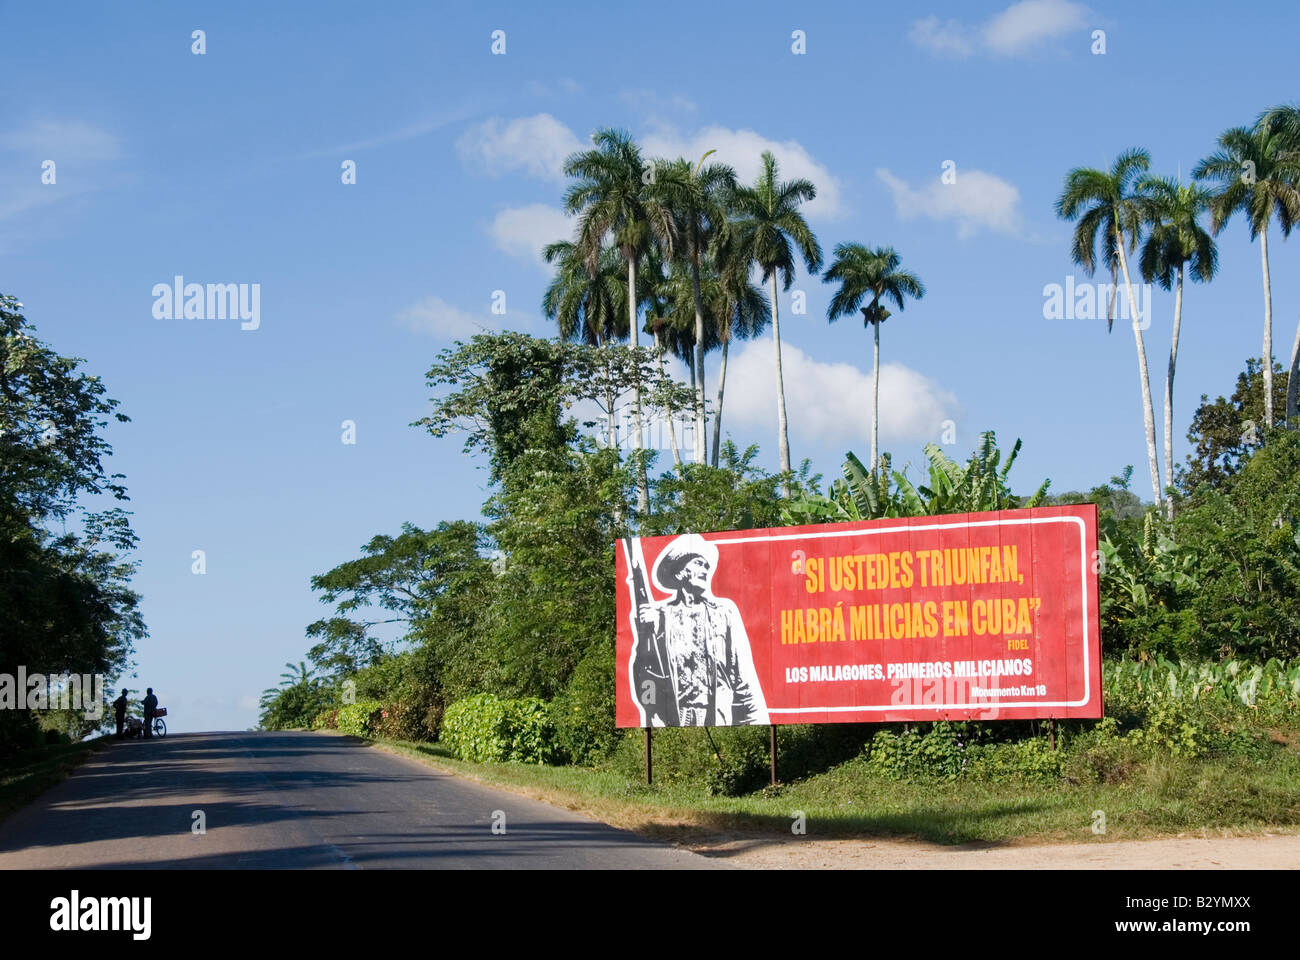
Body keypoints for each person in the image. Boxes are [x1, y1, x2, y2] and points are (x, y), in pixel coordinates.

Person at [634, 534, 768, 727]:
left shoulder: (724, 612)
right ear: (680, 571)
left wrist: (755, 723)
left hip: (718, 717)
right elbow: (644, 675)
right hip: (670, 719)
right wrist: (648, 631)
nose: (706, 570)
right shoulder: (659, 615)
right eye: (699, 563)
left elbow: (744, 678)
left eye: (707, 566)